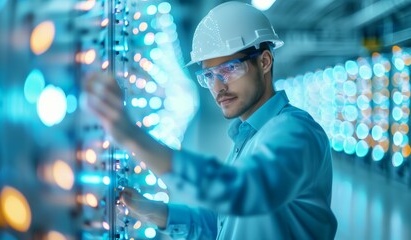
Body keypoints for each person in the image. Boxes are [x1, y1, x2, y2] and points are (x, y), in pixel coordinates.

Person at [85, 1, 337, 239]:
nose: (217, 87)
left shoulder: (295, 131)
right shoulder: (248, 136)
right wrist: (159, 213)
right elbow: (225, 225)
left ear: (265, 61)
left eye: (229, 69)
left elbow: (241, 191)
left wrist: (131, 136)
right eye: (208, 75)